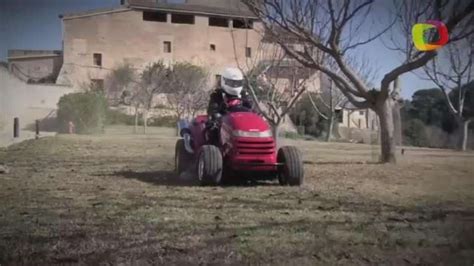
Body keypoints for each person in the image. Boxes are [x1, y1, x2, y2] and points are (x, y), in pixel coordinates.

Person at [206, 67, 253, 144]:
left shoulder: (244, 94)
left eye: (237, 83)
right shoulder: (217, 94)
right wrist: (220, 111)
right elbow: (212, 111)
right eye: (231, 83)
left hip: (241, 124)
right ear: (224, 81)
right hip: (224, 124)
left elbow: (250, 108)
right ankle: (214, 150)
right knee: (213, 128)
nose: (234, 85)